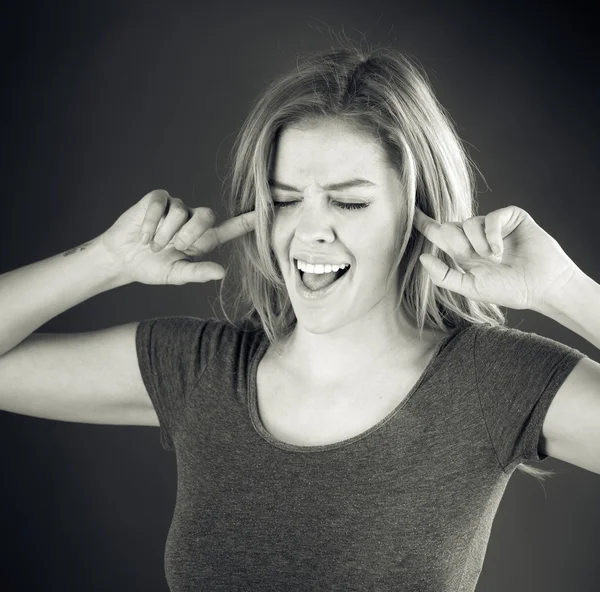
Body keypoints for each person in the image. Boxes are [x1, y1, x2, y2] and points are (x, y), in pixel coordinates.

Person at [1, 41, 599, 592]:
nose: (309, 230)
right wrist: (108, 260)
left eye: (349, 201)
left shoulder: (495, 380)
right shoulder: (199, 371)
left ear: (419, 214)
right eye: (284, 200)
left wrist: (561, 288)